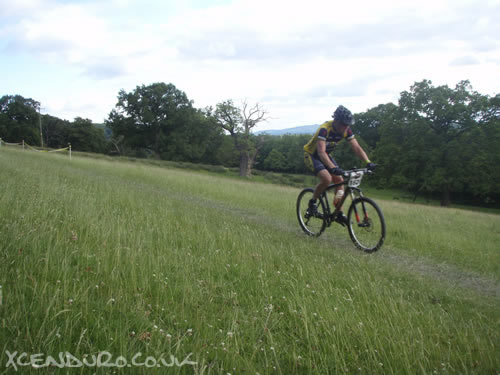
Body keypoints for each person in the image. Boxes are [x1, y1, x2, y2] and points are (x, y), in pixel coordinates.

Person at [303, 105, 376, 225]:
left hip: (326, 155)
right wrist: (333, 168)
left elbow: (356, 148)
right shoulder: (325, 129)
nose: (346, 127)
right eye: (344, 124)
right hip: (312, 155)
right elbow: (320, 152)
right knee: (327, 179)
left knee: (339, 181)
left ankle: (339, 213)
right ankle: (312, 203)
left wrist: (368, 162)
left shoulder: (346, 130)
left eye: (348, 124)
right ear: (336, 121)